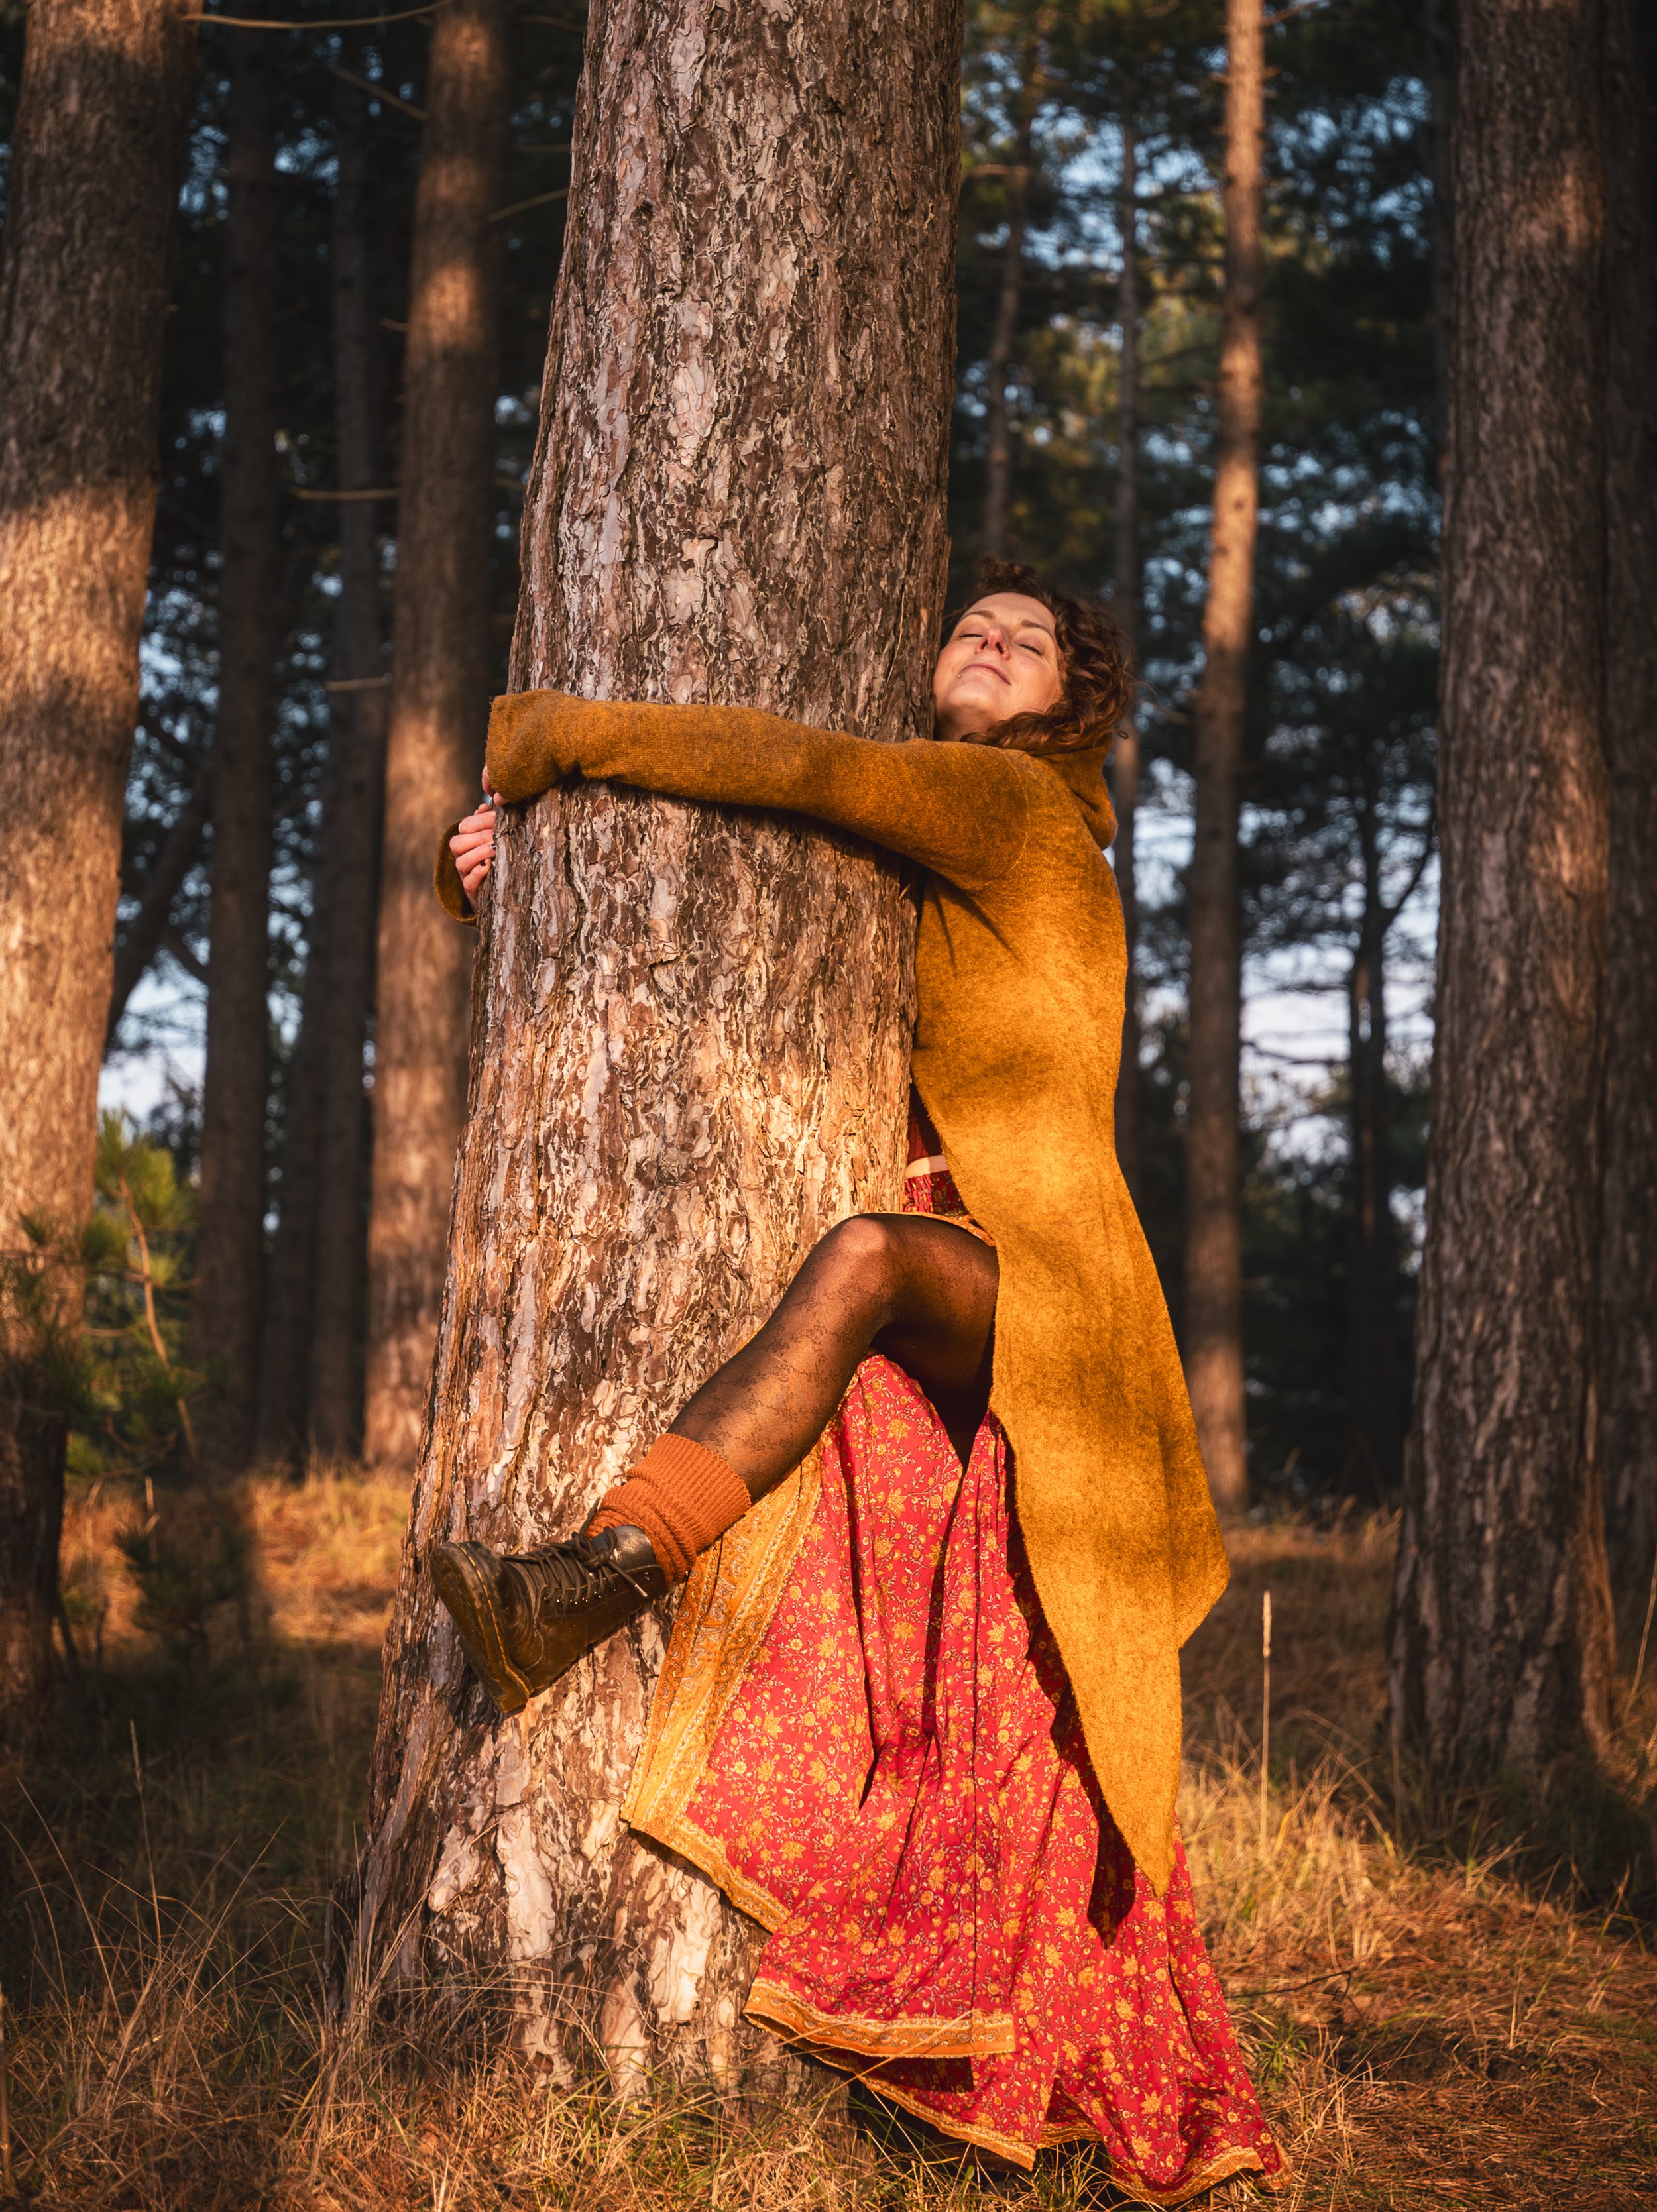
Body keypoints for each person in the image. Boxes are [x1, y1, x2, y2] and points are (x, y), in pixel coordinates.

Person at [429, 562, 1285, 2194]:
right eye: (972, 625)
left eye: (1028, 643)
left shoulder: (1013, 808)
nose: (991, 642)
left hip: (1041, 1292)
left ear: (1070, 706)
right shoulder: (940, 842)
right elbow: (698, 941)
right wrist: (503, 883)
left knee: (867, 1257)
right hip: (982, 1280)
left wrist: (547, 739)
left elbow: (800, 768)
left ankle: (599, 1572)